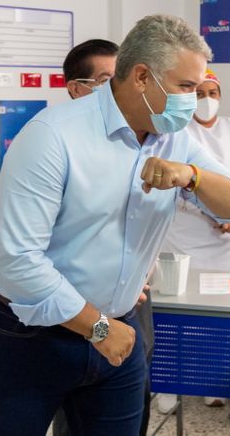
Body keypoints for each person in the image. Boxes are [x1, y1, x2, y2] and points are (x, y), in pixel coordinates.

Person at [0, 14, 230, 436]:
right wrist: (99, 327)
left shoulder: (171, 137)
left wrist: (191, 176)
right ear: (142, 77)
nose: (193, 101)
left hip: (120, 334)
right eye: (185, 87)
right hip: (31, 337)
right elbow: (17, 263)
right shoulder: (53, 136)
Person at [52, 38, 155, 436]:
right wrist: (96, 325)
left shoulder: (143, 140)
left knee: (129, 405)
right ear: (77, 88)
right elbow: (29, 256)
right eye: (106, 80)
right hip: (74, 308)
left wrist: (138, 272)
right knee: (77, 410)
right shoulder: (55, 143)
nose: (119, 92)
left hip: (131, 304)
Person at [156, 68, 230, 412]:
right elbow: (173, 184)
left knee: (224, 320)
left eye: (212, 93)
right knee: (178, 319)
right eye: (198, 93)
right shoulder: (174, 133)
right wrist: (215, 212)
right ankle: (167, 386)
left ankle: (213, 382)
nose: (206, 100)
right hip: (187, 239)